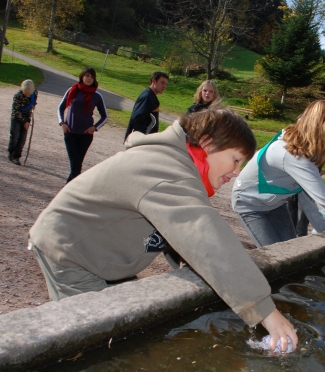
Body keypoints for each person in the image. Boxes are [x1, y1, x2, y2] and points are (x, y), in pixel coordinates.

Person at [29, 108, 297, 352]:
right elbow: (205, 237)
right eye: (235, 159)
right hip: (73, 254)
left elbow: (179, 238)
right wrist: (264, 311)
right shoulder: (167, 170)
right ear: (207, 143)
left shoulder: (178, 166)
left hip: (102, 255)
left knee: (132, 330)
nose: (236, 172)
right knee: (99, 346)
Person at [232, 100, 325, 259]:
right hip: (249, 203)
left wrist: (323, 229)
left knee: (293, 253)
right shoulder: (294, 157)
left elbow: (304, 195)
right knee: (276, 258)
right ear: (317, 127)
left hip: (275, 204)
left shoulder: (308, 152)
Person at [58, 66, 108, 183]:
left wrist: (94, 128)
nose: (89, 78)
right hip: (70, 134)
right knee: (75, 165)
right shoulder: (72, 90)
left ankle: (67, 191)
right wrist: (62, 123)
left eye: (92, 76)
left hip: (85, 136)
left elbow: (105, 116)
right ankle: (69, 193)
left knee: (77, 165)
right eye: (87, 76)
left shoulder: (97, 96)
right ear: (82, 76)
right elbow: (60, 108)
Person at [125, 71, 169, 139]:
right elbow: (137, 117)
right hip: (139, 140)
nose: (164, 86)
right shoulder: (147, 97)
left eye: (166, 84)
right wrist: (143, 136)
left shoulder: (151, 96)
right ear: (154, 81)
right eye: (162, 83)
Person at [8, 79, 37, 165]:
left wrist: (33, 106)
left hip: (26, 118)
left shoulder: (34, 93)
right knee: (14, 136)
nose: (27, 95)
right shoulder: (17, 95)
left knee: (22, 139)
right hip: (16, 117)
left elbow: (34, 102)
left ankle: (16, 157)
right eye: (25, 93)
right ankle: (11, 151)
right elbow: (16, 111)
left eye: (28, 93)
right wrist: (24, 122)